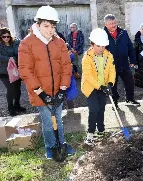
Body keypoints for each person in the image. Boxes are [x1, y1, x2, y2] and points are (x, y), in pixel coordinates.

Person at [18, 5, 73, 159]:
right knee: (48, 122)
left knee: (59, 120)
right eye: (46, 26)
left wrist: (63, 89)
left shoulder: (59, 42)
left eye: (53, 26)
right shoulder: (27, 43)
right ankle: (50, 147)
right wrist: (41, 93)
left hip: (58, 91)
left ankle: (62, 144)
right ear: (38, 24)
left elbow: (66, 66)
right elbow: (25, 70)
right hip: (40, 93)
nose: (50, 30)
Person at [81, 28, 116, 146]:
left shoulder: (108, 55)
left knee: (101, 108)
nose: (101, 48)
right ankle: (90, 134)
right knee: (94, 109)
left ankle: (101, 130)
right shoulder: (87, 57)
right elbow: (88, 76)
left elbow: (112, 70)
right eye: (99, 45)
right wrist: (100, 86)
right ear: (92, 44)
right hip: (90, 88)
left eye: (103, 46)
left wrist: (110, 83)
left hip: (103, 86)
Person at [103, 14, 140, 108]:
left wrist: (133, 60)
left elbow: (130, 47)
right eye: (111, 23)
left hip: (124, 63)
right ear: (106, 24)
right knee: (113, 85)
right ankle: (115, 102)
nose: (114, 25)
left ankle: (130, 99)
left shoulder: (123, 33)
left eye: (115, 22)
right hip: (110, 66)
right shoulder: (102, 35)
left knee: (130, 82)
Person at [0, 27, 26, 116]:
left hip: (15, 70)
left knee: (17, 89)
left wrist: (14, 58)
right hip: (4, 72)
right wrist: (9, 59)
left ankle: (17, 105)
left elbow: (20, 53)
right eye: (4, 37)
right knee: (10, 89)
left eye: (8, 36)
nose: (6, 38)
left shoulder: (15, 43)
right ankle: (10, 108)